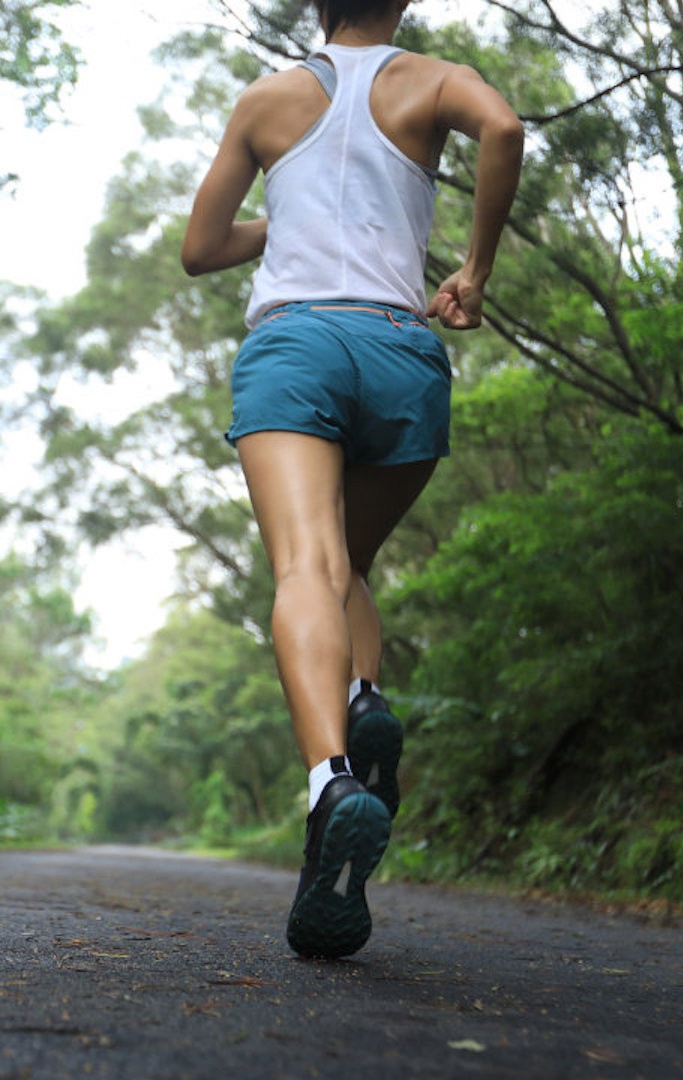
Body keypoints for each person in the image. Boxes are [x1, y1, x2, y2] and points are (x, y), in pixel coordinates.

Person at [181, 0, 524, 958]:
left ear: (317, 6)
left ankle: (331, 776)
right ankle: (364, 698)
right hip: (401, 350)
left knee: (306, 569)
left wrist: (284, 211)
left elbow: (199, 248)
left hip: (296, 346)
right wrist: (475, 269)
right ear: (400, 0)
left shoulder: (268, 99)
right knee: (349, 568)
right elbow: (504, 127)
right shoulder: (432, 80)